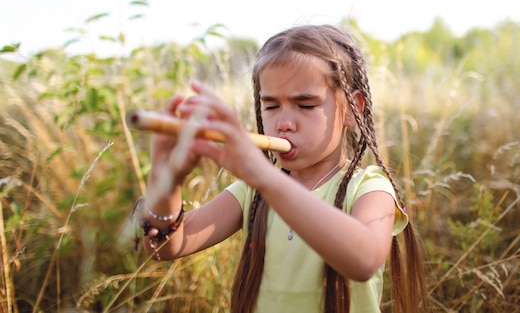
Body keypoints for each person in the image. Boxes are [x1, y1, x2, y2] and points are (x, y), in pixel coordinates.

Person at [132, 24, 429, 313]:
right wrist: (166, 178)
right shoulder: (254, 191)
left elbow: (364, 261)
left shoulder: (370, 188)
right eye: (271, 106)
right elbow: (166, 247)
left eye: (306, 105)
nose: (284, 122)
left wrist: (265, 178)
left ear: (353, 108)